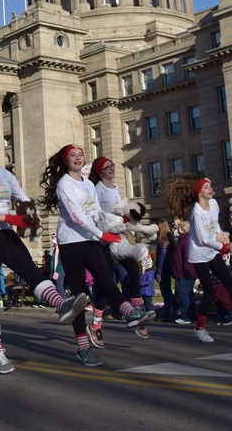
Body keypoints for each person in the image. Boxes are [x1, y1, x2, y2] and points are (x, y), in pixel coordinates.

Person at [0, 132, 90, 374]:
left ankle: (62, 305)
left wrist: (31, 216)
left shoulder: (6, 175)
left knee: (31, 272)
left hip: (6, 234)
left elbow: (22, 197)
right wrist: (12, 217)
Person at [38, 144, 155, 367]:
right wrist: (102, 234)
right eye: (73, 155)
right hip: (71, 241)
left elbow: (96, 213)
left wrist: (118, 224)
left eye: (80, 155)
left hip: (91, 239)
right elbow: (77, 216)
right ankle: (83, 347)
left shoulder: (89, 185)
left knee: (106, 278)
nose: (77, 158)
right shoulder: (64, 184)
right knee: (79, 298)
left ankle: (130, 312)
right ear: (66, 161)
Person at [165, 174, 232, 344]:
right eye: (207, 187)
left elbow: (215, 226)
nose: (211, 189)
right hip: (199, 254)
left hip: (212, 251)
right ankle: (199, 328)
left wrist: (223, 236)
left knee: (227, 280)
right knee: (208, 291)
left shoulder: (213, 204)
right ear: (199, 193)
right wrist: (225, 247)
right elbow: (203, 239)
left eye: (211, 186)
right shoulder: (196, 213)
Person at [87, 156, 148, 341]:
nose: (112, 169)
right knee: (108, 283)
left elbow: (121, 211)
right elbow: (95, 214)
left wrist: (128, 217)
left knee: (133, 269)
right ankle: (96, 323)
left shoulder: (116, 188)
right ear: (100, 171)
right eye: (107, 167)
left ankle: (136, 313)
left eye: (112, 165)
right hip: (103, 240)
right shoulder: (97, 190)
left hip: (118, 237)